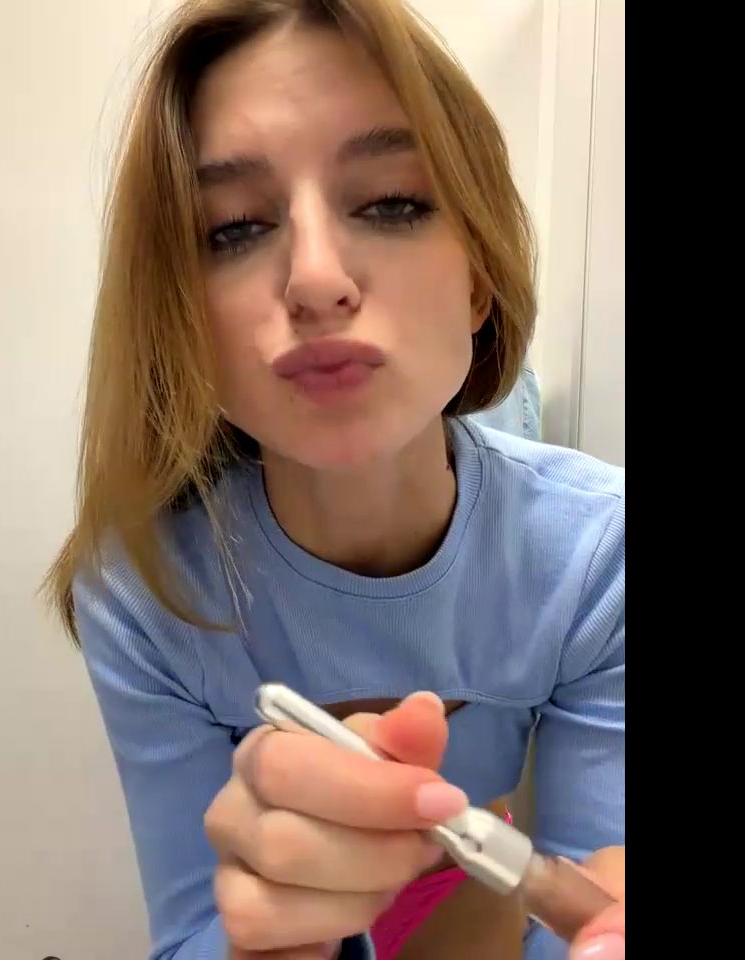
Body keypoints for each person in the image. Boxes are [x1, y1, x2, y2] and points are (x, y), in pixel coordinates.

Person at [45, 1, 625, 958]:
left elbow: (585, 900)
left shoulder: (598, 556)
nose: (315, 280)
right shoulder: (144, 595)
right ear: (183, 319)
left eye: (391, 203)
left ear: (479, 278)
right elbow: (190, 931)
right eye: (233, 228)